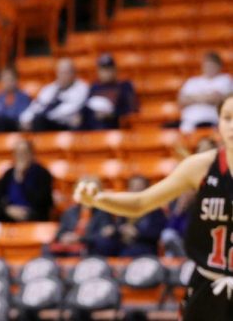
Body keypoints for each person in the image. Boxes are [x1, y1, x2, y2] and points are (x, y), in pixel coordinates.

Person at [75, 95, 233, 320]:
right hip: (209, 283)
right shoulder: (200, 167)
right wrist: (99, 199)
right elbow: (141, 202)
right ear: (218, 123)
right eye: (227, 118)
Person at [49, 178, 116, 257]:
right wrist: (65, 236)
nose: (86, 195)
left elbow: (103, 235)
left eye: (88, 192)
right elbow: (60, 233)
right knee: (47, 248)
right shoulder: (70, 212)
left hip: (88, 248)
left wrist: (80, 239)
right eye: (82, 192)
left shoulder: (103, 213)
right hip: (68, 246)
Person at [19, 58, 90, 132]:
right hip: (44, 120)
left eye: (66, 72)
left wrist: (41, 117)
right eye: (61, 72)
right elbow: (37, 105)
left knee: (39, 120)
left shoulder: (82, 88)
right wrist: (26, 119)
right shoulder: (49, 88)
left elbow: (66, 111)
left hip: (64, 124)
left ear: (74, 73)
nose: (63, 76)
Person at [178, 52, 233, 133]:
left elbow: (215, 98)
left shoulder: (225, 79)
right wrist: (206, 97)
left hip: (212, 121)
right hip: (188, 122)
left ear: (219, 66)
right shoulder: (192, 81)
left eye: (212, 65)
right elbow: (182, 100)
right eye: (207, 65)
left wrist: (193, 98)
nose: (209, 68)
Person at [0, 140, 53, 222]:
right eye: (18, 153)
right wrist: (8, 209)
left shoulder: (42, 174)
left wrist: (21, 179)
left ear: (32, 154)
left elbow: (43, 202)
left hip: (34, 215)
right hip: (9, 214)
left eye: (25, 152)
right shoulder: (8, 174)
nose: (21, 156)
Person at [113, 175, 167, 257]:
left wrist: (136, 233)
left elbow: (157, 233)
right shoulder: (124, 208)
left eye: (139, 188)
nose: (135, 190)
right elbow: (118, 226)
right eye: (133, 187)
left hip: (145, 248)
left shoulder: (155, 210)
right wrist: (120, 230)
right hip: (124, 246)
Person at [84, 53, 139, 130]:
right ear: (98, 71)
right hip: (93, 128)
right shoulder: (94, 87)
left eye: (109, 69)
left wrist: (111, 115)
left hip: (115, 127)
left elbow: (132, 109)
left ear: (115, 70)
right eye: (103, 69)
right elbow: (86, 108)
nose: (106, 73)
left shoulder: (124, 86)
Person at [0, 66, 32, 134]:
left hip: (16, 128)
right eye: (4, 80)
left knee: (1, 121)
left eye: (10, 79)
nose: (7, 83)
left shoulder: (23, 97)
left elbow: (21, 117)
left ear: (16, 80)